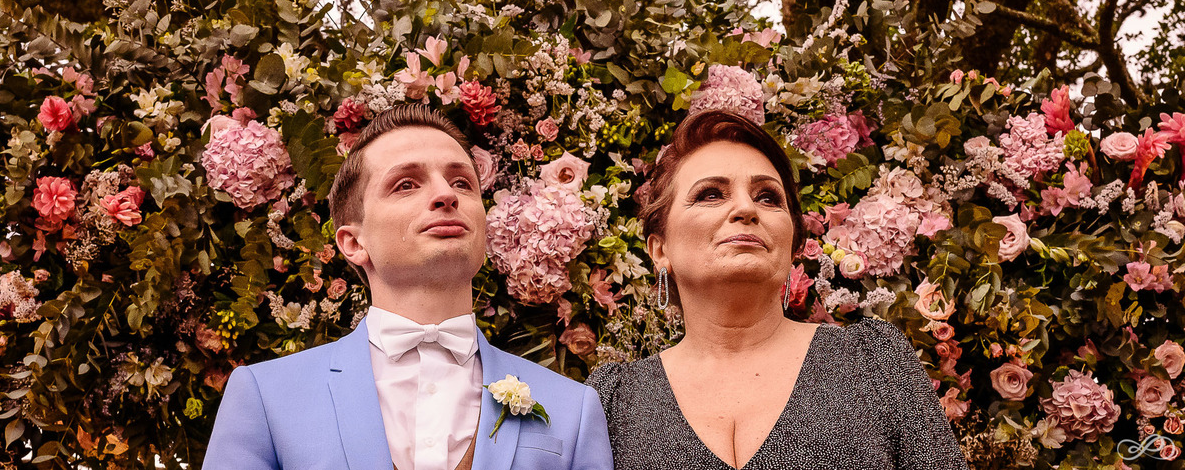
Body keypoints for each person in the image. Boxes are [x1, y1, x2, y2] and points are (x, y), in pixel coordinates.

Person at [202, 105, 614, 470]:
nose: (445, 194)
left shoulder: (573, 409)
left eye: (462, 183)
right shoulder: (265, 397)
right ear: (354, 242)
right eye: (406, 184)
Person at [587, 110, 968, 470]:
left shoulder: (873, 361)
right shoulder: (612, 401)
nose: (746, 208)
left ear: (793, 245)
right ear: (660, 249)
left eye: (768, 197)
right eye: (711, 194)